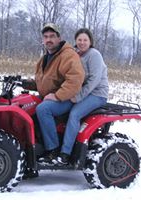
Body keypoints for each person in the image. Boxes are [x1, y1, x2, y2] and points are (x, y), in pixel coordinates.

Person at [23, 23, 85, 165]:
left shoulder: (68, 55)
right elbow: (43, 81)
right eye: (45, 37)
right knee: (26, 104)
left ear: (59, 38)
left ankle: (53, 150)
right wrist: (23, 82)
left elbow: (75, 80)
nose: (48, 39)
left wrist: (57, 96)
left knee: (43, 109)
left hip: (67, 98)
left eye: (52, 36)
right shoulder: (45, 58)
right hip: (50, 96)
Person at [54, 28, 109, 165]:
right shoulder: (75, 54)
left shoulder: (94, 54)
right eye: (79, 40)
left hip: (97, 94)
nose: (82, 42)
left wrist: (78, 97)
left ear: (90, 42)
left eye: (85, 40)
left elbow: (94, 80)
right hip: (81, 92)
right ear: (76, 41)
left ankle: (65, 153)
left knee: (74, 114)